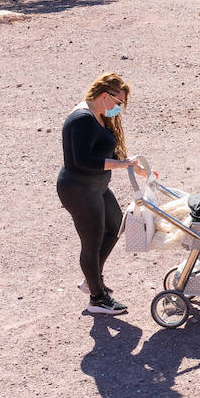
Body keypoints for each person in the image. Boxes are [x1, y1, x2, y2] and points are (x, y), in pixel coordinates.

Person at [57, 73, 149, 315]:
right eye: (118, 103)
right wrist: (121, 165)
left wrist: (131, 164)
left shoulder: (97, 114)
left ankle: (92, 280)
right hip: (79, 189)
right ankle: (96, 298)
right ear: (105, 96)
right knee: (92, 242)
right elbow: (83, 161)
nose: (119, 109)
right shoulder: (82, 119)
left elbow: (104, 149)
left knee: (115, 225)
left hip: (95, 186)